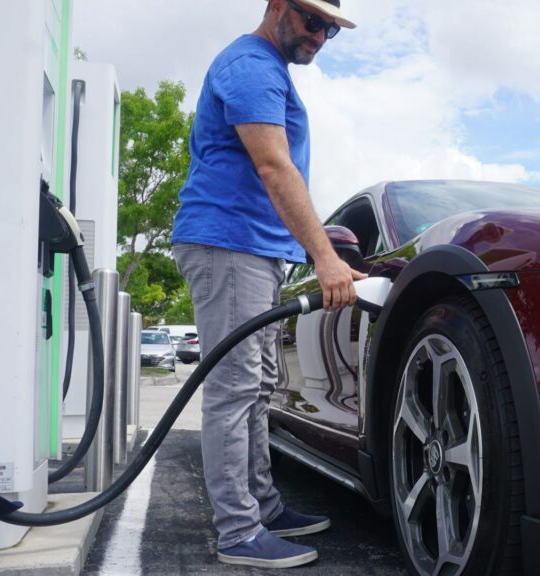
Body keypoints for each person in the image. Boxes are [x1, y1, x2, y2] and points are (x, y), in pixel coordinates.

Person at [170, 0, 362, 568]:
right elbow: (275, 167)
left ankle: (264, 507)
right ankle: (238, 532)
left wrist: (318, 251)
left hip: (252, 249)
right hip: (229, 244)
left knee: (256, 387)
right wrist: (323, 257)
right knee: (234, 391)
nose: (322, 35)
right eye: (312, 21)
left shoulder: (267, 68)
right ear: (278, 6)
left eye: (331, 28)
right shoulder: (251, 66)